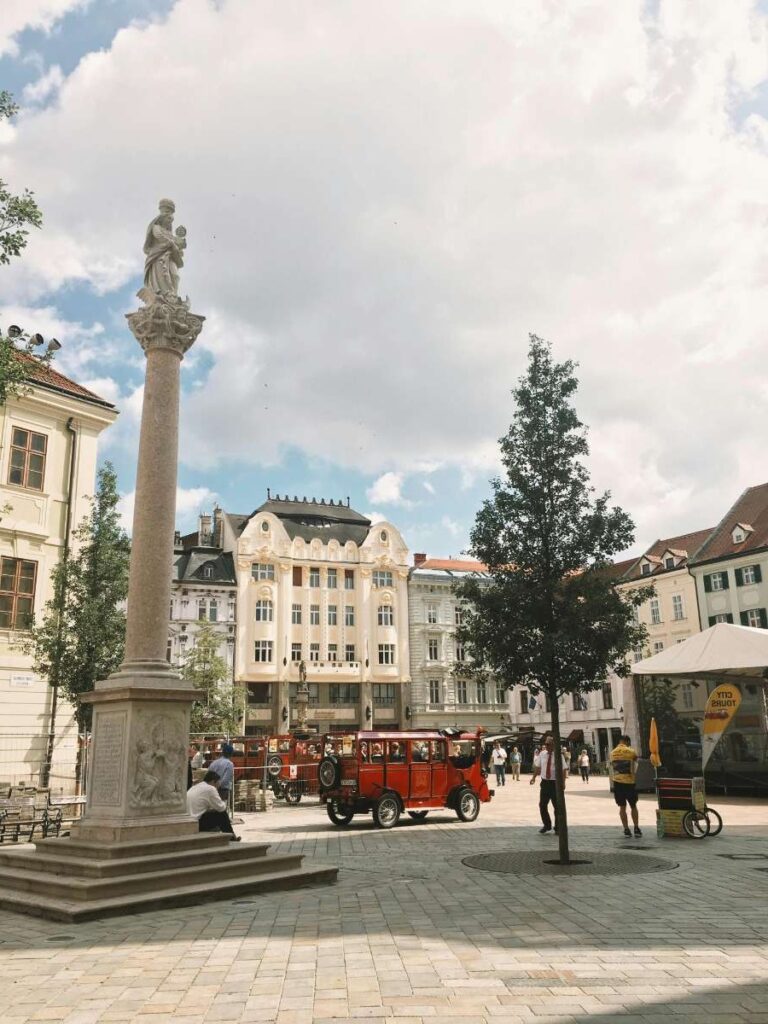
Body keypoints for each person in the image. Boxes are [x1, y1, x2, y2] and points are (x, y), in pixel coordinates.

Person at [186, 770, 240, 840]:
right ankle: (232, 838)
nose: (218, 787)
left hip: (188, 820)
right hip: (196, 823)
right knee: (222, 814)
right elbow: (222, 808)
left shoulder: (196, 786)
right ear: (213, 781)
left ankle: (230, 836)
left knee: (214, 812)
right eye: (218, 784)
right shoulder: (210, 789)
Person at [530, 736, 567, 834]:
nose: (545, 746)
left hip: (555, 783)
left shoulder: (559, 755)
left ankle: (558, 827)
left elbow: (564, 770)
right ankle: (547, 825)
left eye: (548, 744)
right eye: (545, 744)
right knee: (542, 805)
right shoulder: (542, 754)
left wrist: (563, 783)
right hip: (545, 782)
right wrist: (533, 778)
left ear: (553, 745)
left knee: (557, 806)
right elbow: (538, 767)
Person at [610, 733, 642, 837]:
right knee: (633, 806)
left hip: (617, 783)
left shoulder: (612, 753)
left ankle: (626, 829)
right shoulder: (631, 751)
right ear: (627, 742)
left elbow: (611, 765)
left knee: (622, 807)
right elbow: (636, 761)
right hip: (629, 783)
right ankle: (636, 828)